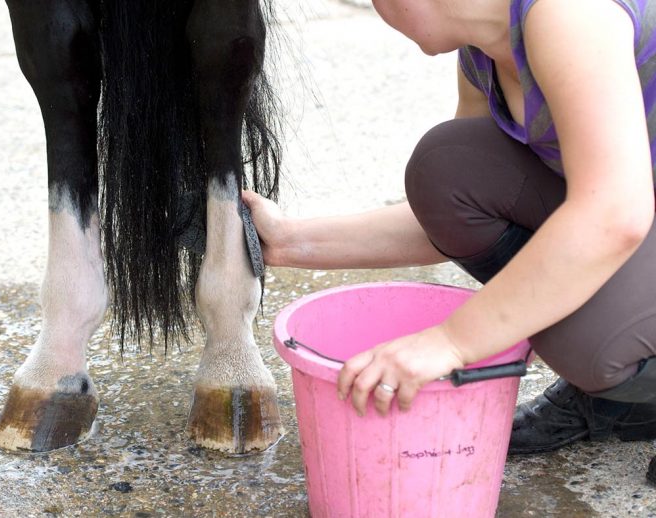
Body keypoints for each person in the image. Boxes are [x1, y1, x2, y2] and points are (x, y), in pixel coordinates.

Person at [241, 0, 656, 467]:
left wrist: (452, 342)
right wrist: (289, 242)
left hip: (633, 216)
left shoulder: (568, 14)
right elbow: (452, 213)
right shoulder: (484, 53)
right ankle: (622, 386)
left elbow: (614, 213)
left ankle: (630, 387)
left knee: (577, 340)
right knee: (448, 166)